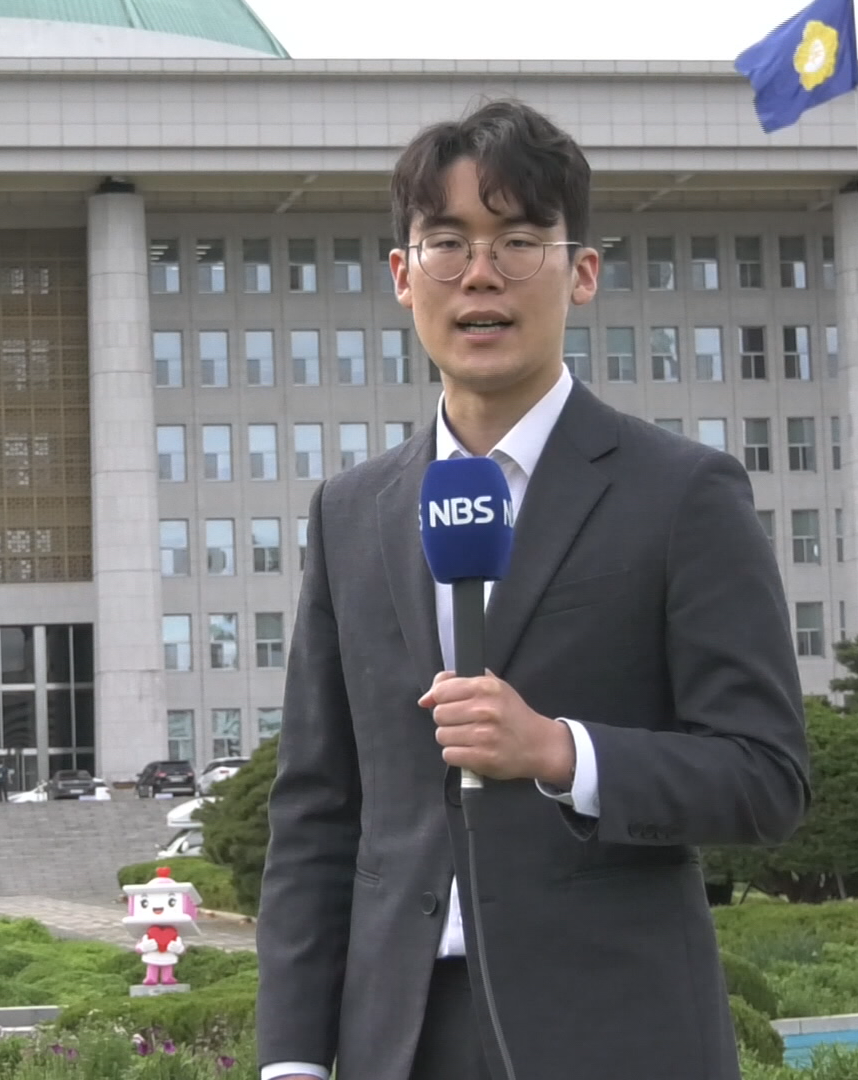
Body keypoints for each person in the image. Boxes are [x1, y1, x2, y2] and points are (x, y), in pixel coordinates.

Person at [254, 99, 812, 1080]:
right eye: (448, 244)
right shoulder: (350, 512)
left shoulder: (682, 494)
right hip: (401, 1039)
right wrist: (293, 1060)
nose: (481, 274)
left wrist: (561, 751)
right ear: (403, 276)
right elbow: (316, 809)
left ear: (581, 271)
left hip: (615, 1034)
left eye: (518, 241)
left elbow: (765, 776)